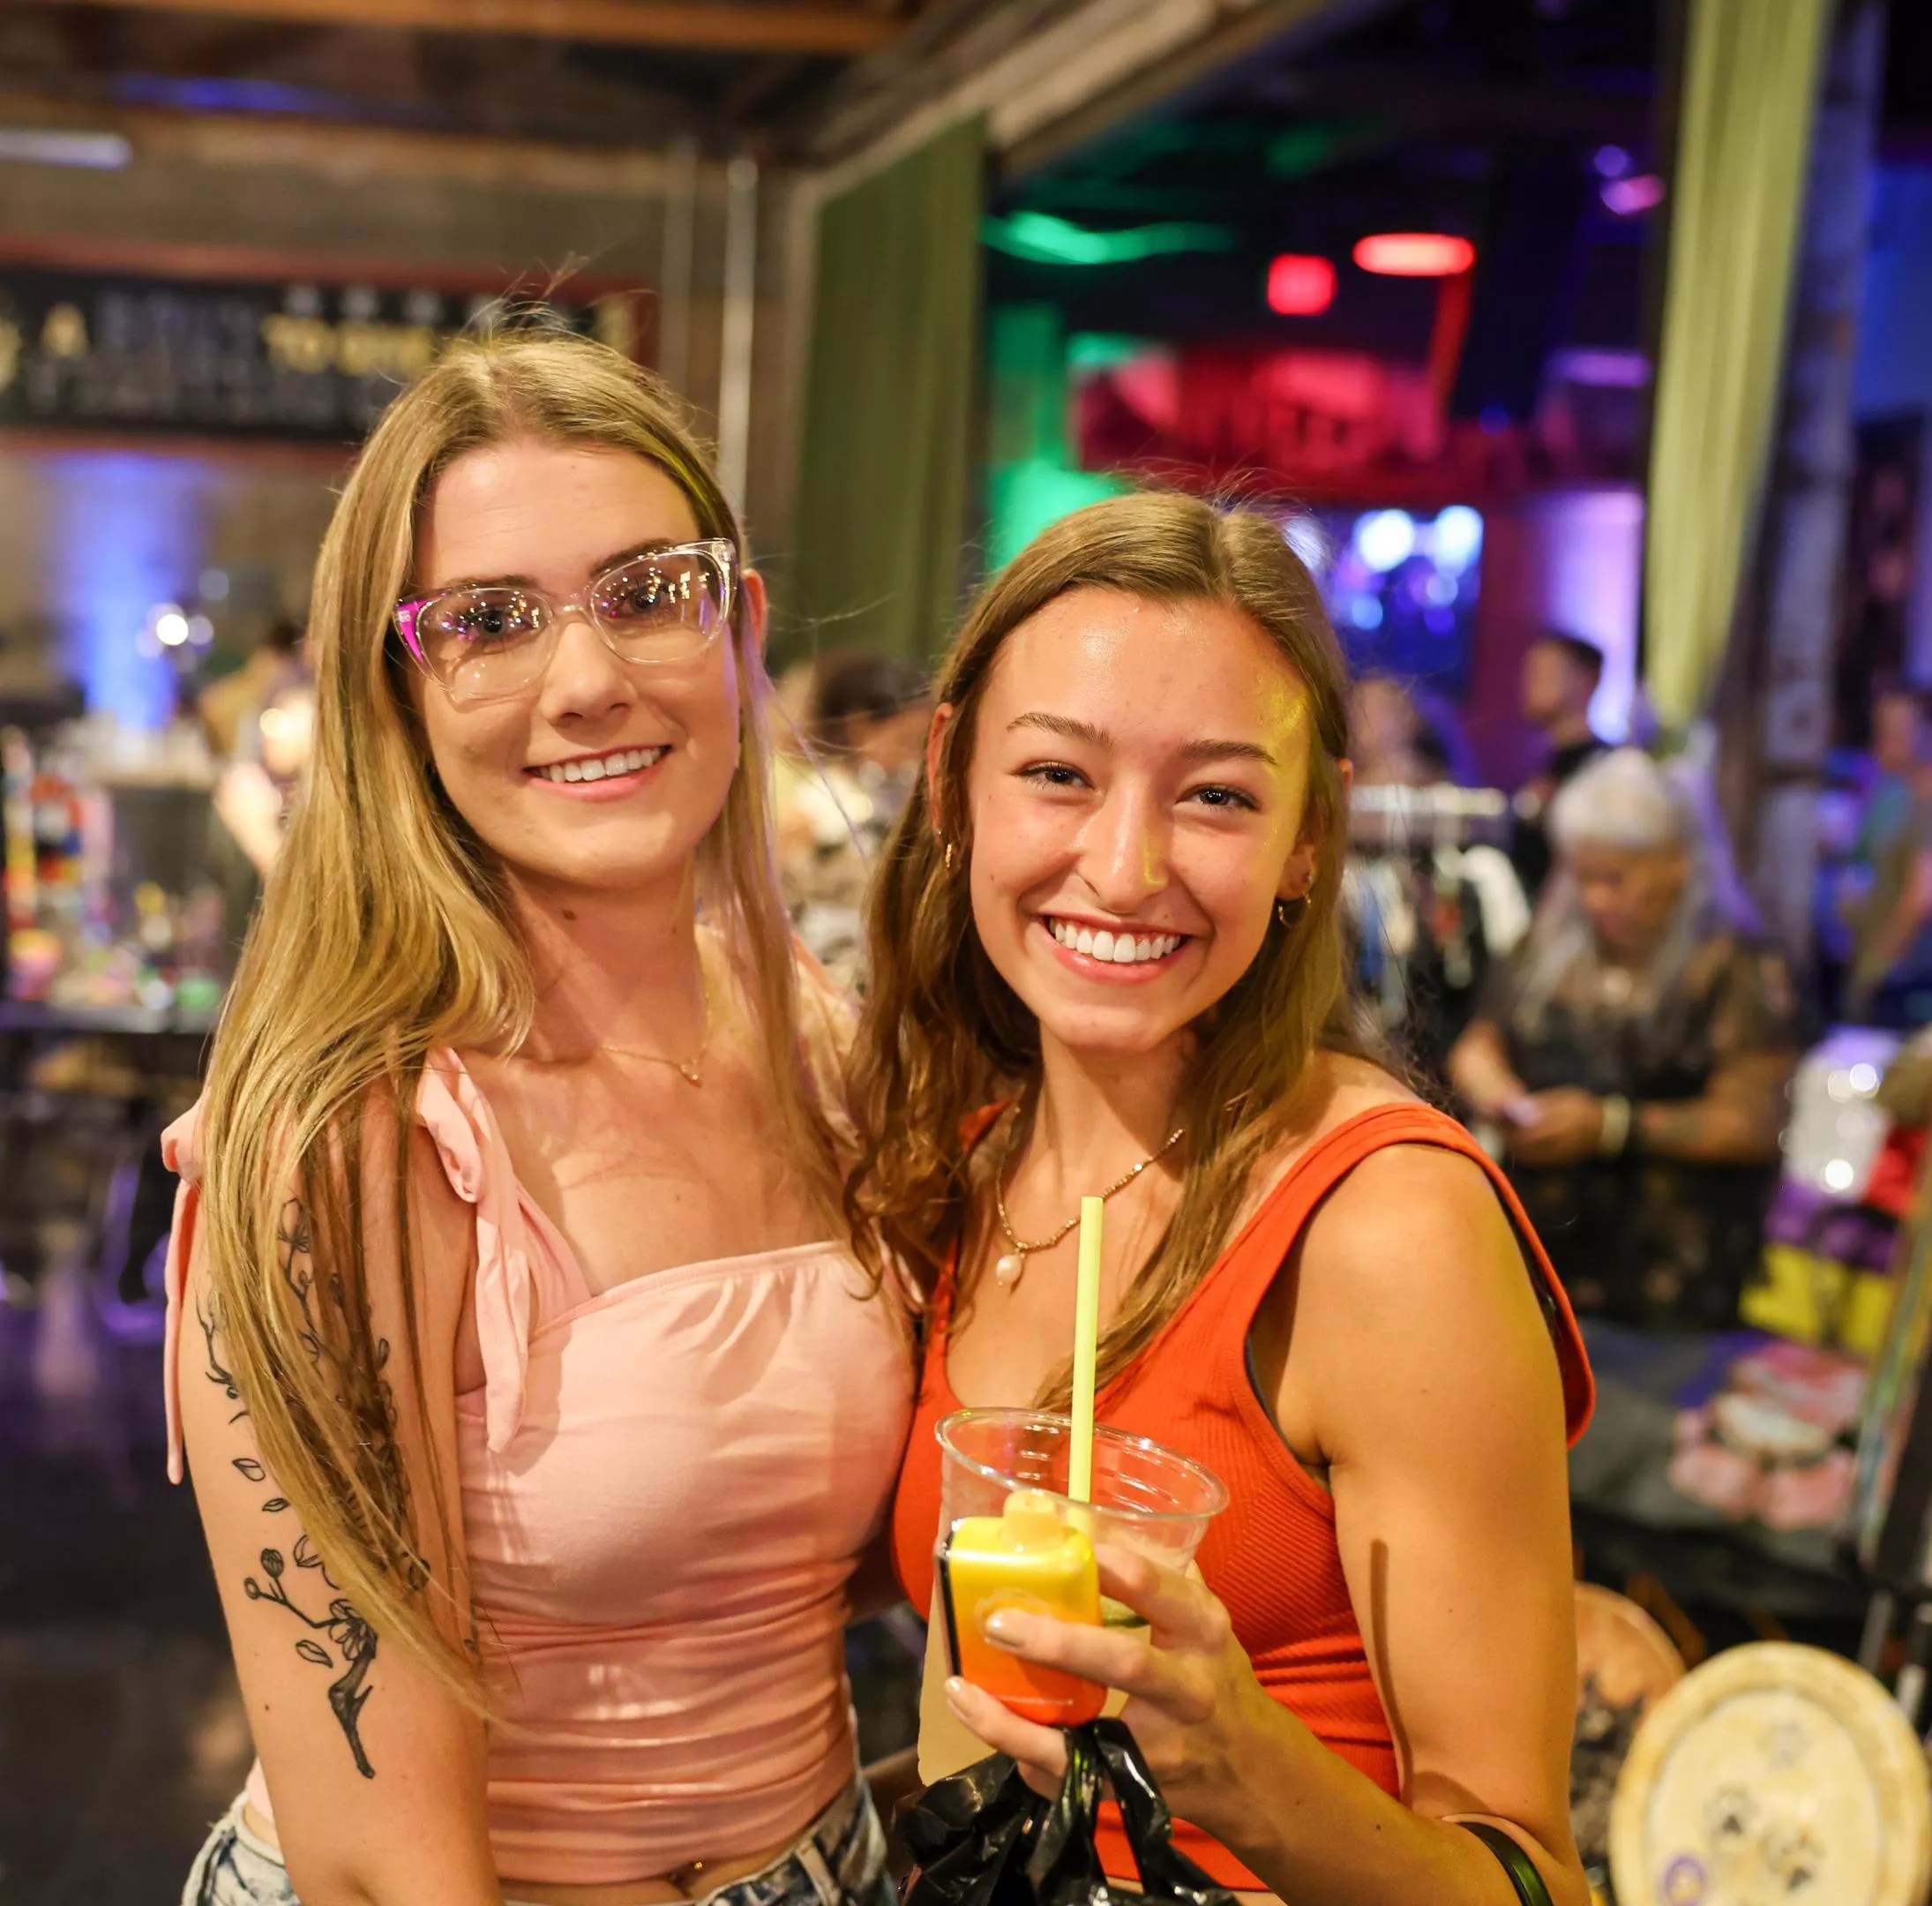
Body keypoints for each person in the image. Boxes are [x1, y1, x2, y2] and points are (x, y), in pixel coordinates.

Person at [163, 331, 912, 1906]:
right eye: (490, 622)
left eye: (646, 594)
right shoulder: (347, 1140)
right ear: (396, 690)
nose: (587, 683)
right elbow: (382, 1868)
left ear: (737, 628)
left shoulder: (814, 1035)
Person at [848, 493, 1594, 1906]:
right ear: (949, 779)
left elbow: (1531, 1880)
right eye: (1057, 773)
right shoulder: (970, 1167)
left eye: (1216, 798)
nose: (1124, 869)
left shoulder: (1383, 1227)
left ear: (1307, 836)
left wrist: (1242, 1768)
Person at [1450, 747, 1802, 1331]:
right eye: (1581, 876)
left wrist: (1611, 1127)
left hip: (1668, 1283)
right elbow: (1478, 1043)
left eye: (1615, 879)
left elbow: (1751, 1122)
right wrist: (1500, 1094)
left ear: (1678, 863)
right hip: (1539, 1261)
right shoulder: (1548, 948)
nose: (1594, 899)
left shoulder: (1736, 967)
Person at [1511, 631, 1607, 901]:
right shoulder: (1544, 764)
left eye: (1545, 673)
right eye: (1530, 673)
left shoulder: (1606, 769)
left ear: (1589, 681)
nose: (1530, 683)